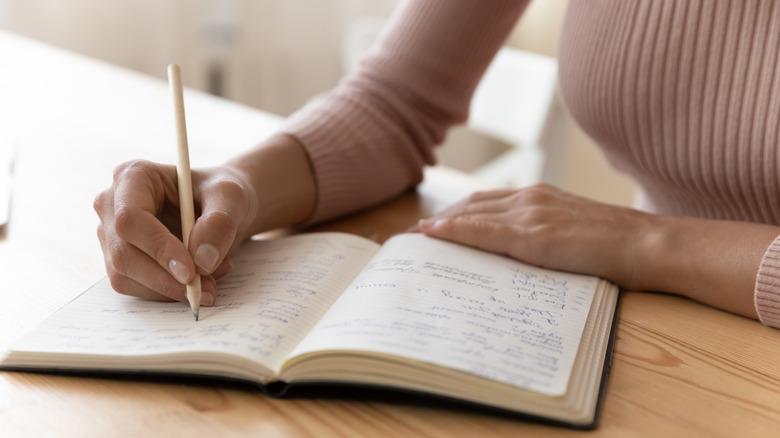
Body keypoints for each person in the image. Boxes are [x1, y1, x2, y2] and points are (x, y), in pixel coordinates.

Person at [93, 0, 780, 328]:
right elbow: (398, 100)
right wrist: (237, 186)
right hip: (664, 328)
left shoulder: (642, 249)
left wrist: (647, 241)